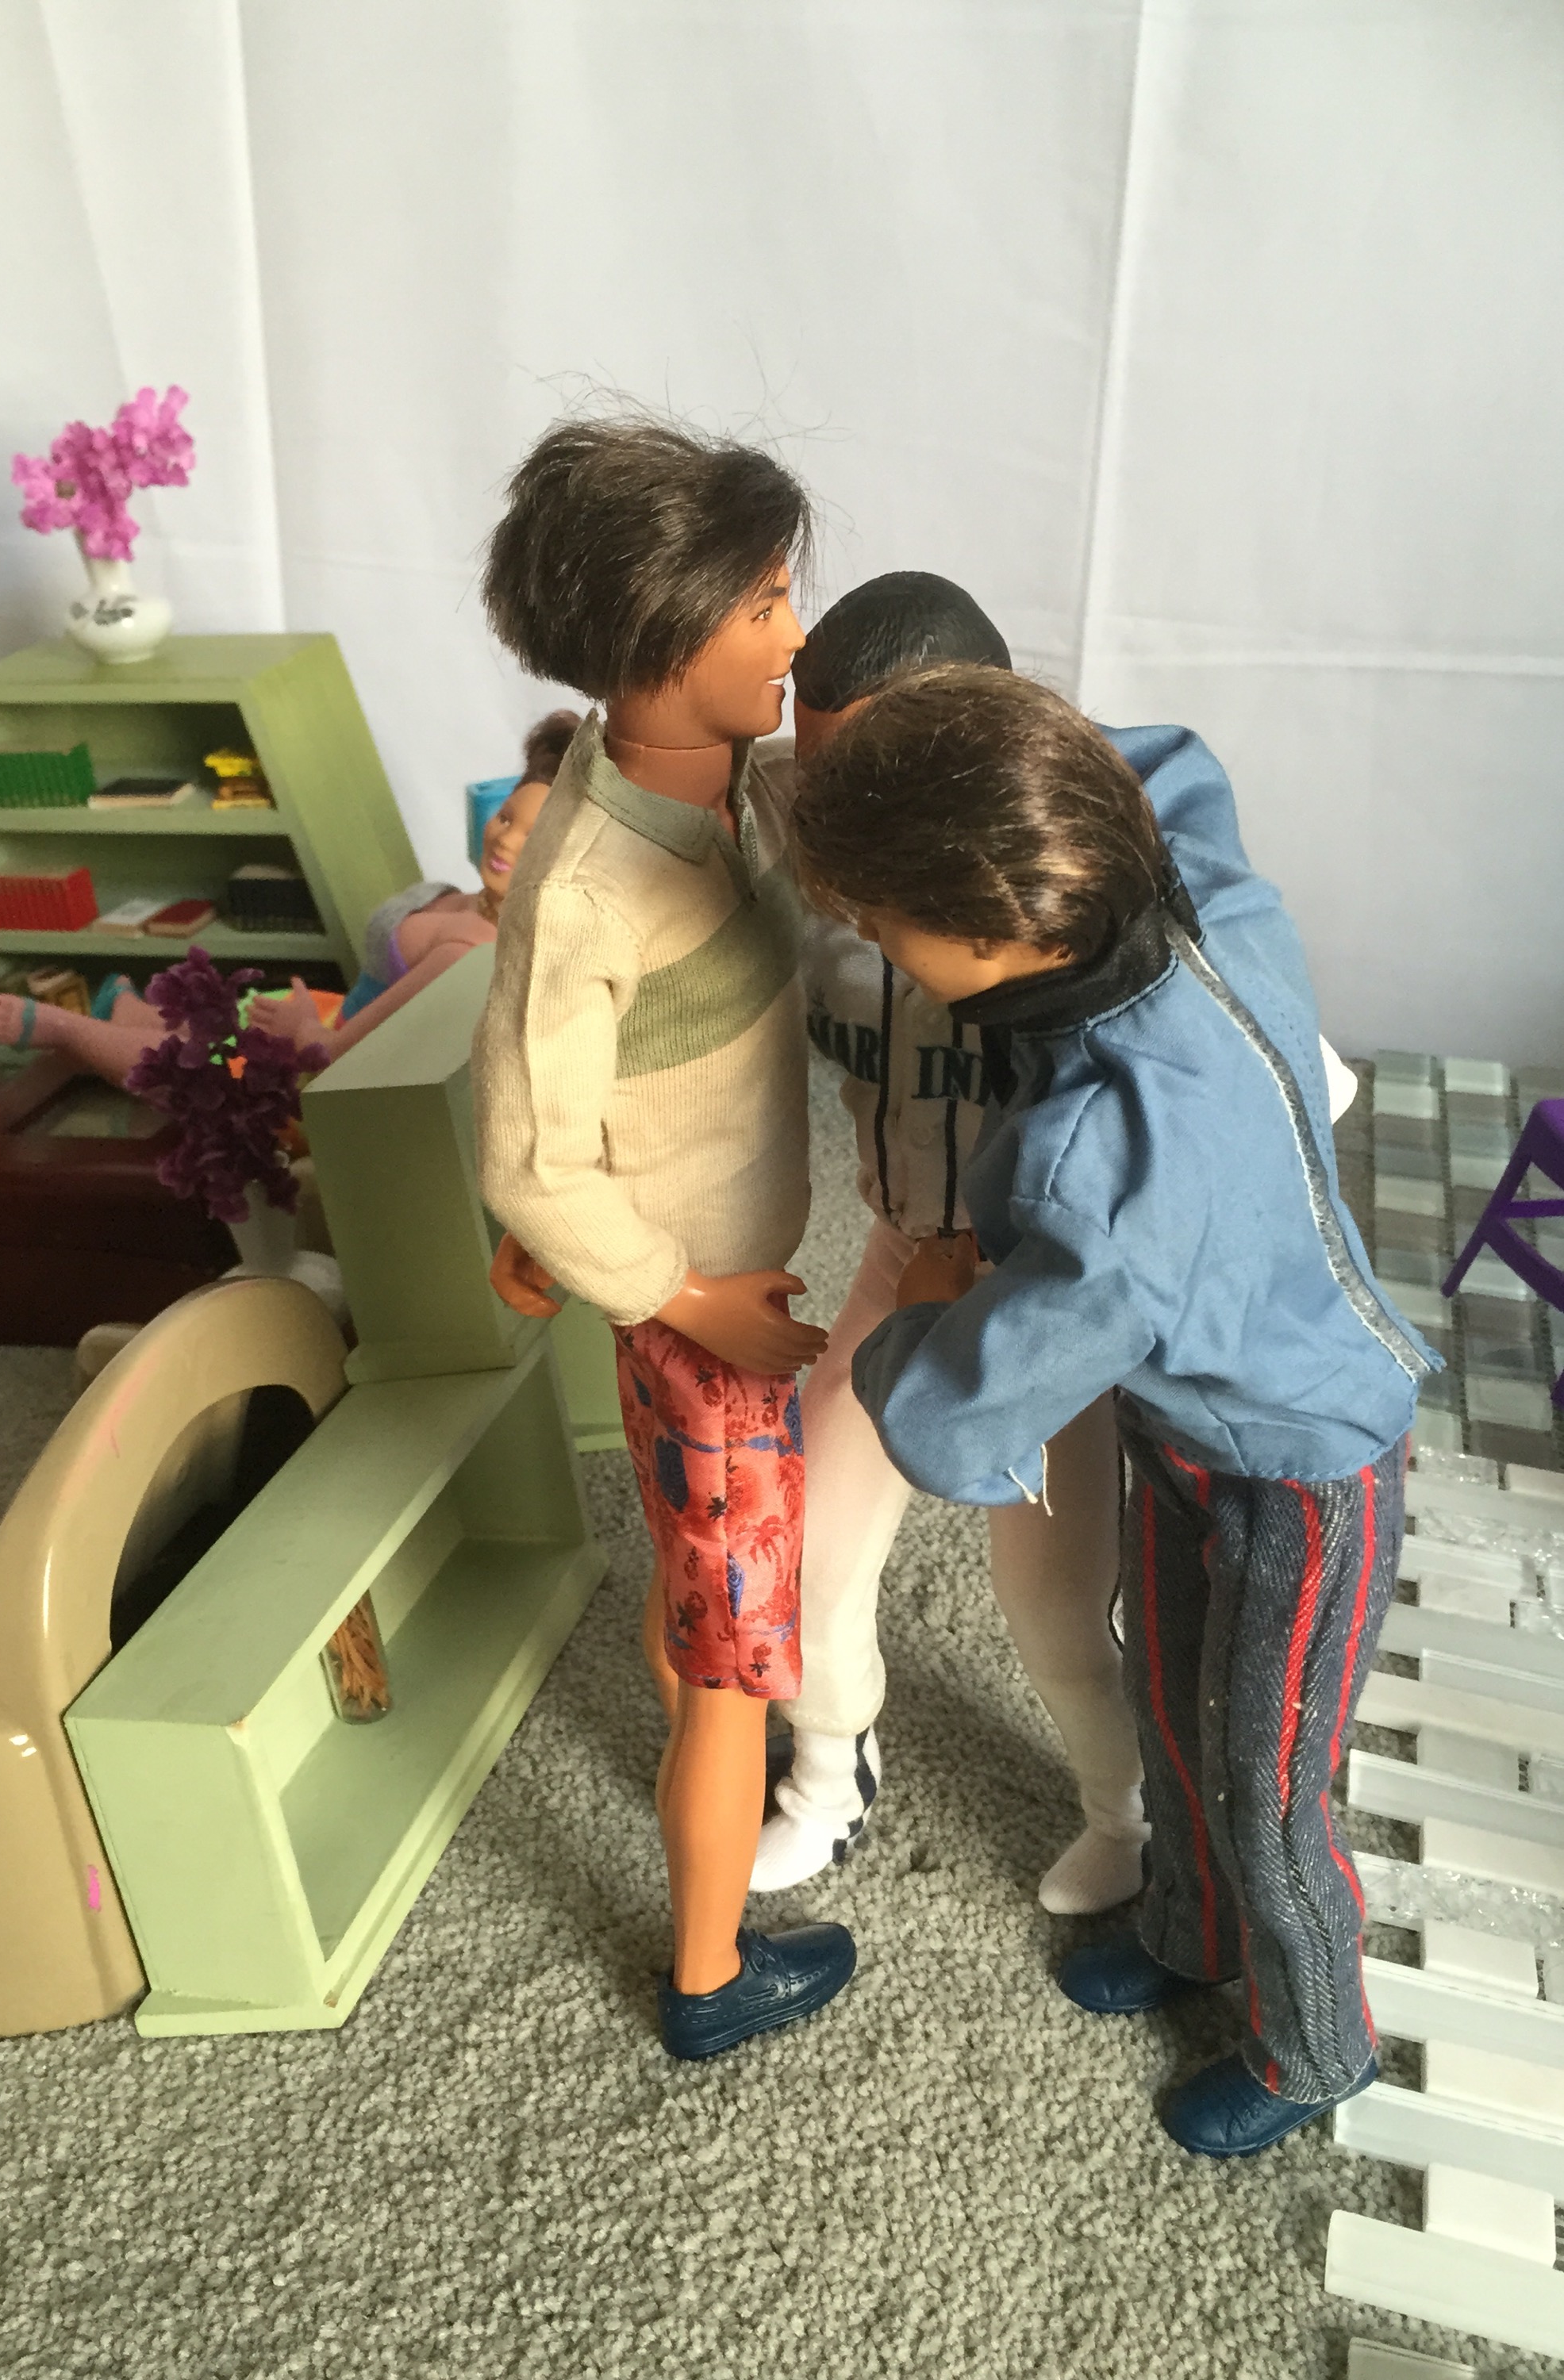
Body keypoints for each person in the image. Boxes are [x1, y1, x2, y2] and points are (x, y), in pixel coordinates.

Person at [789, 662, 1434, 2158]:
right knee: (1170, 1706)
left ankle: (1317, 2049)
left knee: (1271, 1791)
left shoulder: (1106, 1171)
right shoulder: (1204, 893)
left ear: (995, 930)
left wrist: (921, 1305)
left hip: (1306, 1480)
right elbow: (1173, 759)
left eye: (887, 928)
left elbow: (955, 1419)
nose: (877, 947)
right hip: (1192, 1438)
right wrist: (991, 753)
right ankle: (1188, 1931)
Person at [752, 574, 1360, 1910]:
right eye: (821, 768)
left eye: (875, 772)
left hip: (1049, 1290)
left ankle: (1120, 1817)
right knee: (807, 1540)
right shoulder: (795, 840)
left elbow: (1285, 1089)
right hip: (905, 1250)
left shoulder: (1075, 877)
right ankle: (825, 1779)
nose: (838, 813)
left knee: (1053, 1606)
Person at [474, 413, 855, 2061]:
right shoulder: (588, 891)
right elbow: (528, 1155)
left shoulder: (726, 787)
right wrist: (686, 1294)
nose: (793, 634)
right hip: (706, 1322)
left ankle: (692, 1685)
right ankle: (708, 1978)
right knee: (733, 1670)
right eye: (762, 604)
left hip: (710, 1274)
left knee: (698, 1597)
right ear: (656, 638)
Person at [0, 712, 579, 1081]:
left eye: (533, 837)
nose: (506, 839)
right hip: (328, 1013)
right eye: (507, 817)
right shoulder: (472, 902)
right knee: (223, 1015)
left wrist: (301, 1027)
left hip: (322, 1063)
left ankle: (65, 1029)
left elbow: (336, 1057)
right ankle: (128, 1012)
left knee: (182, 1067)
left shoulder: (469, 955)